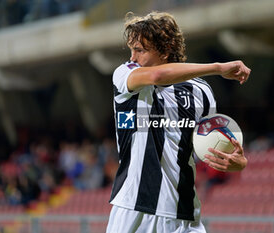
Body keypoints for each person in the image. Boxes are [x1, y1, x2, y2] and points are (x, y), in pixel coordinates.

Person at [106, 11, 250, 233]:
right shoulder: (125, 74)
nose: (132, 57)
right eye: (131, 49)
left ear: (165, 50)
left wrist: (237, 162)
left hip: (184, 215)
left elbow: (205, 148)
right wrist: (218, 68)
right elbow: (157, 76)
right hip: (135, 211)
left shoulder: (201, 91)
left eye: (140, 50)